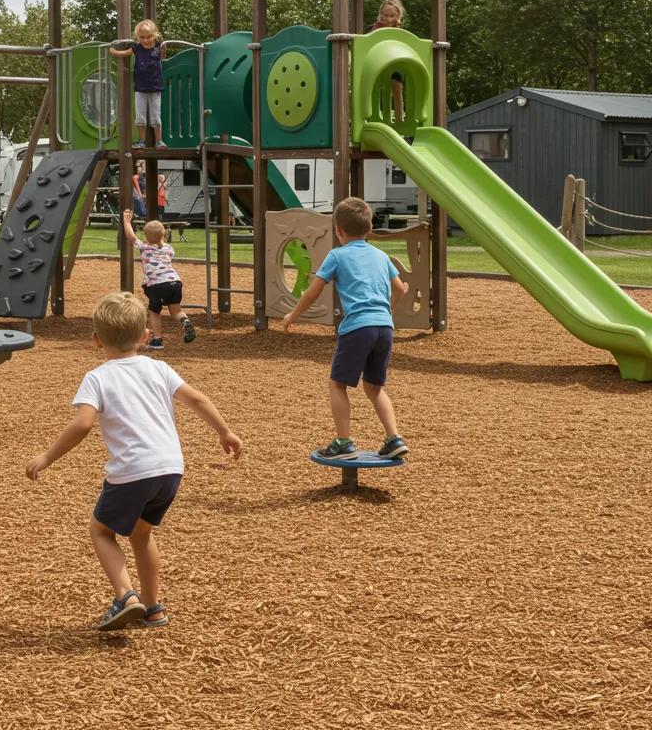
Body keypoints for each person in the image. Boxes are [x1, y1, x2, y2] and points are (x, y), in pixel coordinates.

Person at [26, 291, 242, 631]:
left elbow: (83, 423)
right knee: (141, 535)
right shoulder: (159, 368)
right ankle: (154, 608)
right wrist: (225, 432)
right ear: (144, 336)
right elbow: (197, 399)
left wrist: (48, 456)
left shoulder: (98, 377)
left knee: (101, 531)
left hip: (132, 471)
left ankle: (126, 597)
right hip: (170, 469)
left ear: (96, 340)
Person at [282, 197, 409, 460]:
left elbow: (313, 292)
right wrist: (387, 310)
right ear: (370, 227)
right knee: (375, 388)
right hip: (385, 327)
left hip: (357, 328)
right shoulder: (380, 255)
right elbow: (399, 287)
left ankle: (343, 442)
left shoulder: (337, 256)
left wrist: (292, 315)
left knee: (337, 384)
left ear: (338, 230)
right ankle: (394, 437)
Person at [122, 208, 195, 349]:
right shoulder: (169, 249)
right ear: (164, 235)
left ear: (146, 237)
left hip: (156, 285)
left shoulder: (144, 248)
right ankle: (185, 320)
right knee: (176, 311)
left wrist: (126, 221)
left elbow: (131, 237)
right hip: (175, 282)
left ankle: (157, 339)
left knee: (154, 311)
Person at [110, 18, 166, 148]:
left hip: (155, 87)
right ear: (138, 37)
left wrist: (163, 50)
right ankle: (142, 141)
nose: (146, 40)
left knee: (155, 116)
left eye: (149, 37)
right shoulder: (137, 48)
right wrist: (113, 51)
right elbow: (124, 53)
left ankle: (159, 141)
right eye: (142, 37)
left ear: (155, 35)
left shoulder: (158, 47)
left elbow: (163, 58)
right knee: (140, 117)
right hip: (140, 88)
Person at [370, 0, 406, 123]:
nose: (388, 19)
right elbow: (369, 41)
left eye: (392, 16)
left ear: (398, 16)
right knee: (372, 88)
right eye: (385, 15)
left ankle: (399, 118)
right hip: (376, 62)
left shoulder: (400, 31)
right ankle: (371, 117)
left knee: (396, 87)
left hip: (393, 63)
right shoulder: (376, 28)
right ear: (381, 15)